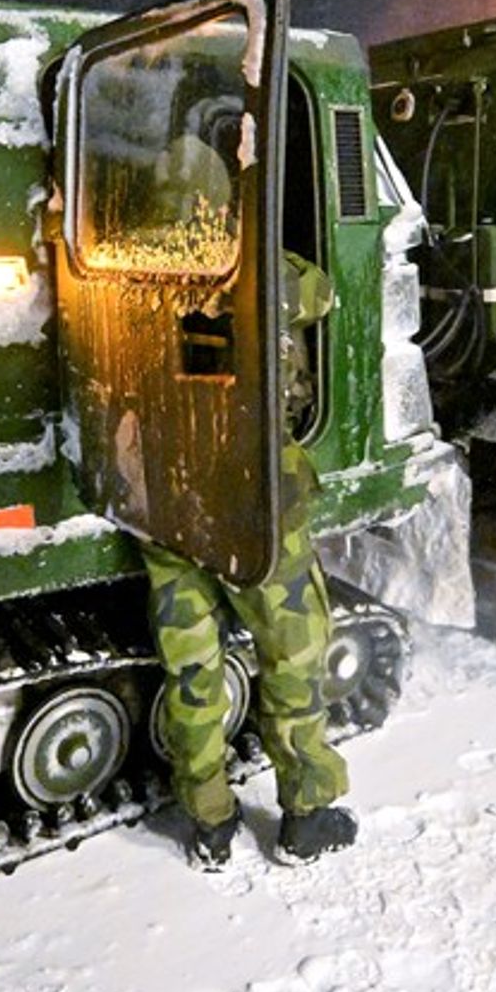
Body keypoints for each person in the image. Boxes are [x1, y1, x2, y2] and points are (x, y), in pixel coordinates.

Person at [143, 249, 359, 869]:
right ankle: (306, 815)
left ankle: (209, 821)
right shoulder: (252, 263)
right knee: (294, 647)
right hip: (248, 490)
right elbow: (320, 292)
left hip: (162, 484)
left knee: (190, 664)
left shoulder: (121, 263)